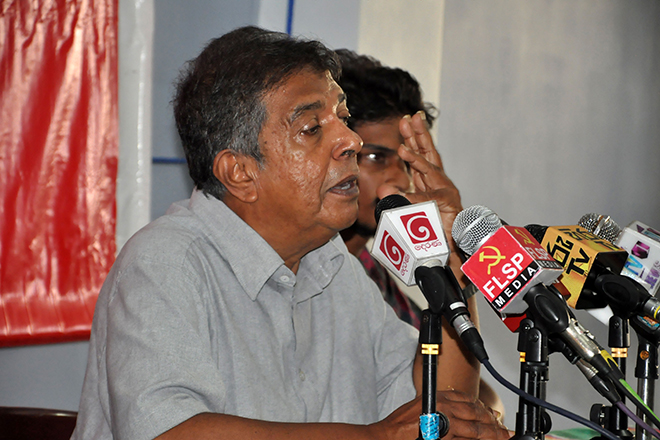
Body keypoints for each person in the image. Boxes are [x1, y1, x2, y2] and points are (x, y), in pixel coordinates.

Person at [71, 26, 510, 440]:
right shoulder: (164, 263)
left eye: (343, 117)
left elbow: (437, 405)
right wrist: (372, 437)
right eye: (312, 128)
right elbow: (169, 432)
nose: (351, 141)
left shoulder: (331, 263)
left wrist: (451, 258)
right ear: (240, 172)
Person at [335, 49, 504, 415]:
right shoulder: (313, 267)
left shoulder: (378, 274)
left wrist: (453, 252)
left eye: (406, 163)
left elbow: (453, 394)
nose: (399, 179)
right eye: (377, 158)